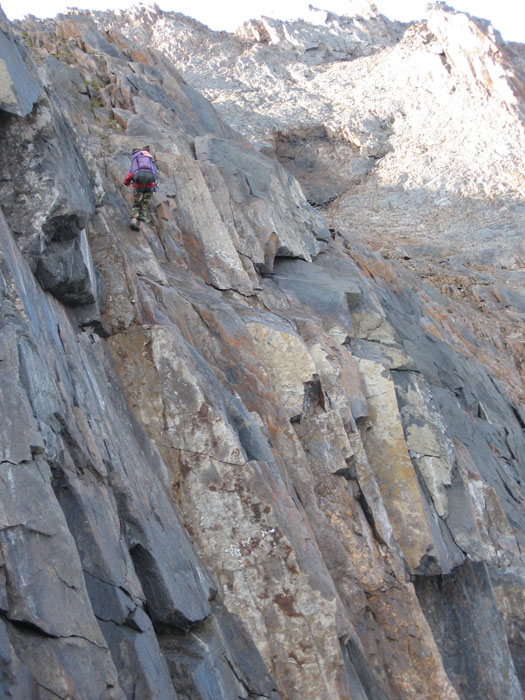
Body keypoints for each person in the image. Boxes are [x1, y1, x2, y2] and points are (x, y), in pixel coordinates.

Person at [123, 147, 157, 230]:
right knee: (144, 205)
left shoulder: (137, 162)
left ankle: (134, 221)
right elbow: (155, 174)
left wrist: (126, 184)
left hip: (139, 185)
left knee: (137, 204)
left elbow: (130, 175)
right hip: (150, 186)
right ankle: (140, 224)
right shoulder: (150, 162)